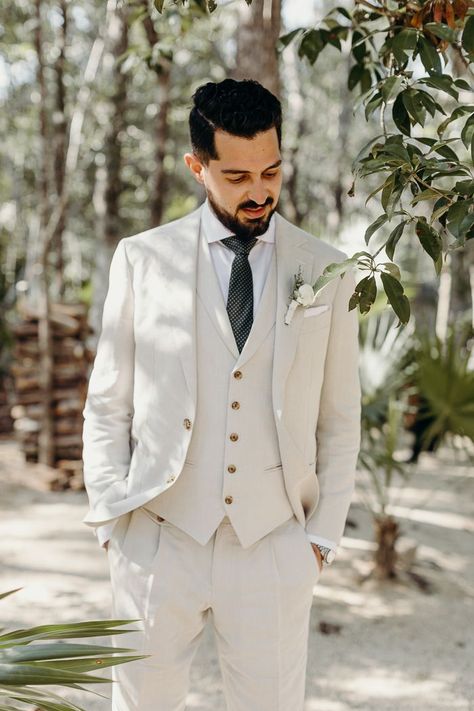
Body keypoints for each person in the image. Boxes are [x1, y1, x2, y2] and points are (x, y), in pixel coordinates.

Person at [81, 78, 361, 711]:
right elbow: (108, 402)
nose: (258, 191)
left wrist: (318, 541)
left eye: (271, 171)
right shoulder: (141, 259)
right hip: (158, 536)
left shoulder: (325, 270)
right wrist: (111, 520)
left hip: (272, 545)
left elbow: (340, 420)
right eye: (236, 177)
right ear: (197, 166)